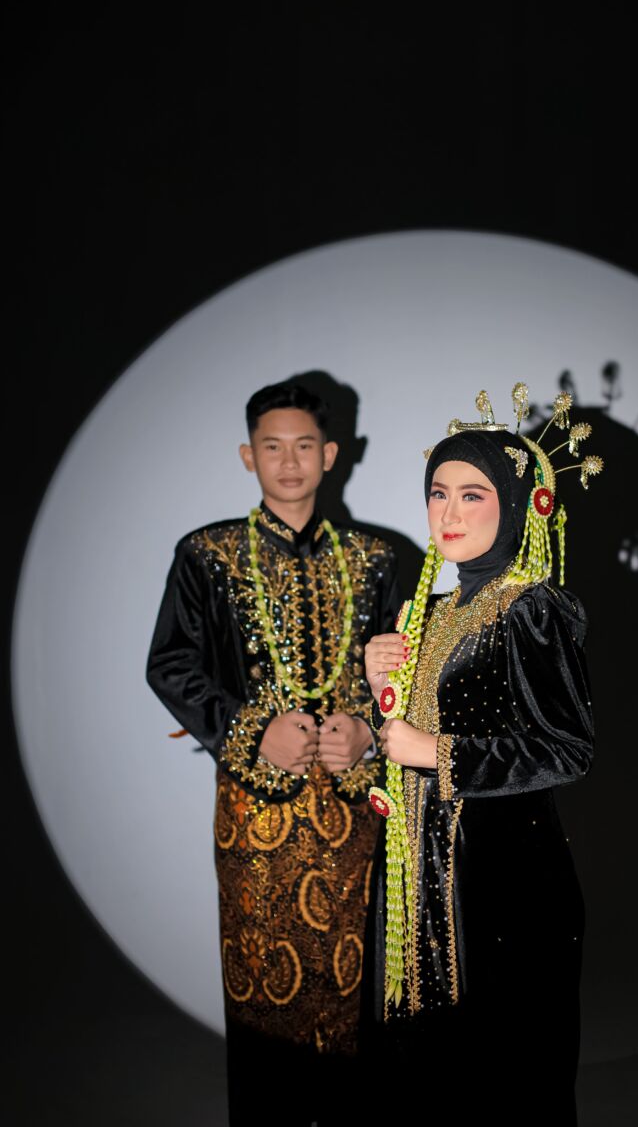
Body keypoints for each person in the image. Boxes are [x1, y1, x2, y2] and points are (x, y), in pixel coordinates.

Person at [146, 382, 399, 1126]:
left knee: (357, 979)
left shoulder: (377, 559)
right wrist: (252, 730)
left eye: (303, 446)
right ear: (247, 455)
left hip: (354, 811)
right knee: (262, 981)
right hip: (258, 813)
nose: (288, 462)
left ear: (331, 454)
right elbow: (171, 664)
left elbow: (409, 674)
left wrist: (367, 730)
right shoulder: (207, 554)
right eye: (272, 446)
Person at [363, 386, 599, 1124]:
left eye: (473, 494)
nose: (449, 513)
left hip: (503, 887)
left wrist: (437, 752)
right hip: (420, 878)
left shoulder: (532, 608)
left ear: (520, 504)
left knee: (504, 1076)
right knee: (427, 1074)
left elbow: (567, 748)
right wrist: (379, 685)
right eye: (438, 493)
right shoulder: (431, 611)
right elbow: (402, 741)